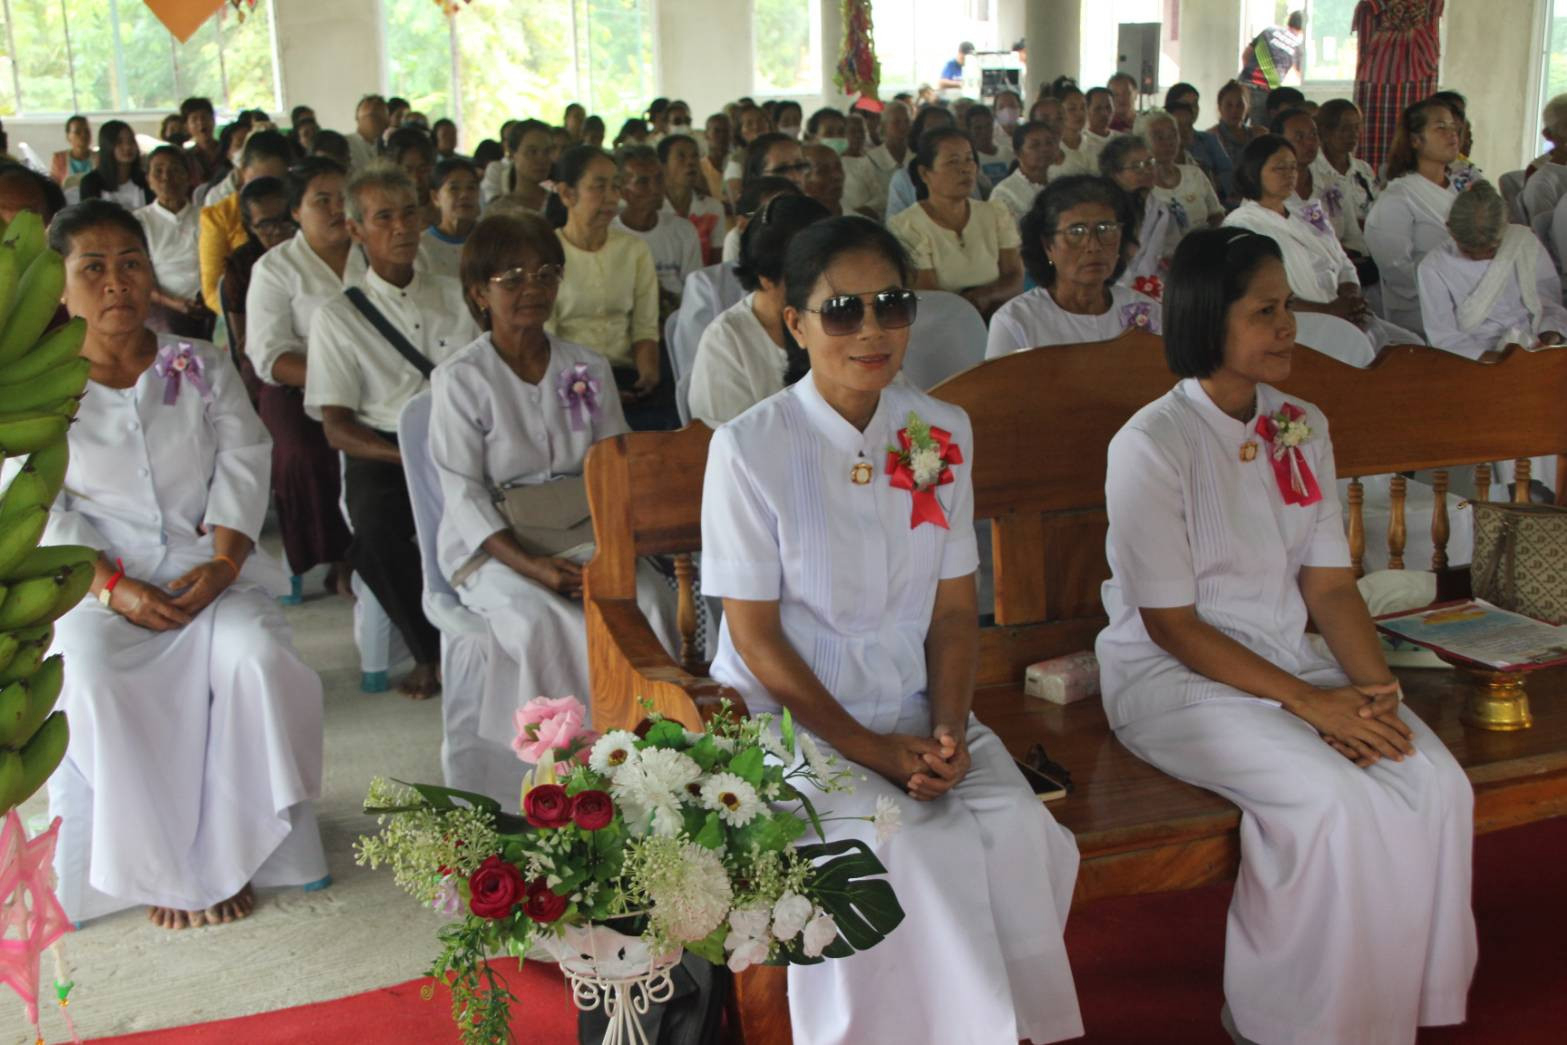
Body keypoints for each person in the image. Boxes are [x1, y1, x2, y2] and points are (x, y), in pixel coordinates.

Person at [702, 214, 1084, 1045]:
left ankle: (1003, 1030)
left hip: (915, 704)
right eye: (842, 311)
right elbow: (757, 640)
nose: (871, 329)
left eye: (891, 304)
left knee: (1021, 831)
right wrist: (868, 747)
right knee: (903, 849)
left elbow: (952, 607)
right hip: (789, 722)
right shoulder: (749, 447)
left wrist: (947, 725)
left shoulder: (939, 431)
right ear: (796, 324)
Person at [1097, 224, 1476, 1045]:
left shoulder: (1300, 420)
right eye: (1265, 311)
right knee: (1332, 800)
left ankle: (1385, 1009)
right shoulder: (1149, 445)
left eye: (1287, 307)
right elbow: (1169, 624)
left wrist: (1373, 689)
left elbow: (1329, 583)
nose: (1287, 326)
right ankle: (1279, 1022)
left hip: (1285, 664)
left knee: (1433, 781)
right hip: (1176, 682)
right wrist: (1314, 705)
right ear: (1207, 319)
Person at [41, 199, 327, 929]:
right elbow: (37, 504)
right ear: (59, 285)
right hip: (95, 589)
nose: (116, 283)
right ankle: (160, 865)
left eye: (130, 264)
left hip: (210, 573)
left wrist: (225, 565)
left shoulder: (195, 364)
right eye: (93, 268)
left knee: (258, 660)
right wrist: (114, 589)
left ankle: (237, 851)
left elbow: (245, 453)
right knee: (96, 675)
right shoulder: (36, 391)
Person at [431, 213, 677, 728]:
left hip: (584, 531)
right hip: (497, 547)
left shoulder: (587, 367)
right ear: (478, 293)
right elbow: (463, 492)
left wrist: (615, 552)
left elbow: (615, 465)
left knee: (648, 601)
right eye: (511, 279)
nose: (532, 289)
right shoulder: (461, 379)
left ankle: (649, 752)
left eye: (546, 274)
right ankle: (556, 771)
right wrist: (532, 567)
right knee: (537, 621)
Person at [305, 166, 476, 697]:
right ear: (356, 230)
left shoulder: (457, 294)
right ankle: (429, 651)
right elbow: (335, 426)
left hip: (459, 441)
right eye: (384, 217)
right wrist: (407, 459)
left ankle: (485, 634)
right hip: (383, 452)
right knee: (375, 531)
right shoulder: (338, 316)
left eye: (409, 214)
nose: (402, 228)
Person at [244, 156, 359, 596]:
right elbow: (269, 355)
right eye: (321, 200)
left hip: (381, 383)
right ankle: (338, 556)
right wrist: (338, 380)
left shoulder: (373, 255)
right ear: (296, 211)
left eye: (344, 199)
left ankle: (383, 547)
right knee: (307, 454)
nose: (336, 209)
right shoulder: (276, 268)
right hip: (300, 386)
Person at [1224, 134, 1416, 364]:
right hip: (1297, 320)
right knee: (1362, 353)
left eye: (1293, 167)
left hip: (1340, 310)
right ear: (1253, 173)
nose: (1290, 175)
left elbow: (1342, 260)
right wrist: (1328, 310)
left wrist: (1350, 296)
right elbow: (1259, 294)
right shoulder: (1242, 224)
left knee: (1412, 345)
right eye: (1279, 168)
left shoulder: (1306, 212)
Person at [546, 145, 665, 429]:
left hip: (625, 376)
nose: (613, 198)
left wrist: (647, 379)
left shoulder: (634, 250)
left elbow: (645, 328)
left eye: (616, 186)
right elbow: (545, 341)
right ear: (566, 194)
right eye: (599, 187)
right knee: (594, 445)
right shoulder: (546, 254)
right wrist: (597, 392)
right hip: (566, 380)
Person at [688, 194, 829, 427]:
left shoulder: (847, 317)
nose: (827, 283)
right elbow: (727, 443)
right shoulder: (726, 341)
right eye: (810, 275)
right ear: (765, 278)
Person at [987, 176, 1158, 358]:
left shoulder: (1146, 310)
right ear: (1047, 245)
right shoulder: (1016, 321)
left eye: (1106, 229)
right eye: (1076, 232)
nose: (1093, 246)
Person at [1419, 180, 1567, 360]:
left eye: (1491, 250)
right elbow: (1444, 337)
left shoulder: (1523, 243)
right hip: (1475, 360)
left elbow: (1549, 303)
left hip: (1534, 346)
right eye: (1468, 250)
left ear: (1507, 226)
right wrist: (1496, 361)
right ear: (1449, 229)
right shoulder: (1433, 268)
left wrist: (1550, 333)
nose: (1479, 257)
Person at [890, 128, 1022, 316]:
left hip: (997, 318)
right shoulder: (907, 226)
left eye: (969, 159)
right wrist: (973, 304)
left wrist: (985, 295)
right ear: (925, 173)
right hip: (943, 324)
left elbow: (1014, 277)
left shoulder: (995, 213)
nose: (965, 168)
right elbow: (928, 293)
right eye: (953, 161)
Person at [1363, 98, 1464, 336]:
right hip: (1423, 313)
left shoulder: (1454, 190)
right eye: (1440, 127)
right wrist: (1448, 292)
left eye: (1453, 127)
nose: (1452, 134)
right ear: (1416, 140)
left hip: (1466, 300)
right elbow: (1396, 271)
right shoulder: (1398, 198)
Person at [198, 130, 293, 314]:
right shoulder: (218, 217)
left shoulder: (298, 211)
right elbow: (212, 292)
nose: (265, 192)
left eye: (275, 183)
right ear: (242, 174)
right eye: (257, 181)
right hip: (240, 313)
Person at [612, 145, 704, 311]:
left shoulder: (683, 231)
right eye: (643, 182)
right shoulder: (608, 235)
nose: (655, 189)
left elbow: (695, 294)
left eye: (659, 179)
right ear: (621, 191)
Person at [135, 145, 212, 340]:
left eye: (175, 170)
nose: (166, 177)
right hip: (163, 305)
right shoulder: (139, 221)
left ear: (188, 177)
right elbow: (138, 277)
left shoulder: (206, 217)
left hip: (208, 301)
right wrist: (176, 303)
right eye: (158, 171)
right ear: (148, 180)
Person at [220, 175, 296, 363]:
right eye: (265, 225)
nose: (277, 231)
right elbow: (243, 343)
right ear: (250, 228)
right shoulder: (240, 265)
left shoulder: (312, 252)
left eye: (284, 220)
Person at [1101, 135, 1177, 288]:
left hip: (1153, 288)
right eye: (1136, 166)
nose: (1147, 171)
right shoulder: (1102, 210)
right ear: (1115, 174)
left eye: (1150, 163)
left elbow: (1170, 253)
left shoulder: (1161, 208)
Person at [1141, 109, 1224, 240]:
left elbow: (1217, 214)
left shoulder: (1194, 174)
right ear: (1143, 141)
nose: (1168, 142)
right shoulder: (1140, 185)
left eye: (1173, 135)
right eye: (1159, 137)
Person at [1311, 99, 1377, 256]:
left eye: (1357, 127)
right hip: (1333, 255)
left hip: (1370, 255)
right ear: (1325, 131)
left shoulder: (1363, 170)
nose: (1354, 134)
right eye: (1345, 128)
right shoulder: (1311, 171)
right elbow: (1312, 221)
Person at [659, 133, 726, 265]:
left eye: (695, 156)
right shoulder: (654, 209)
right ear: (663, 165)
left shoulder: (712, 208)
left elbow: (716, 263)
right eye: (681, 156)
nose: (690, 162)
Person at [884, 106, 958, 220]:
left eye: (945, 131)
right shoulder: (903, 179)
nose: (938, 138)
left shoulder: (964, 173)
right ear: (919, 136)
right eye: (931, 130)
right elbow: (895, 227)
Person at [1238, 11, 1305, 125]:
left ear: (1289, 21)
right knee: (1260, 131)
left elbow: (1246, 56)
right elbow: (1300, 74)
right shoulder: (1297, 46)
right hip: (1264, 92)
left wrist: (1250, 78)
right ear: (1302, 29)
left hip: (1242, 86)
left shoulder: (1269, 31)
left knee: (1235, 126)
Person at [990, 120, 1061, 223]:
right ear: (1018, 153)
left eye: (1049, 143)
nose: (1045, 149)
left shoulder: (1060, 182)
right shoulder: (1003, 194)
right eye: (1035, 145)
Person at [423, 156, 481, 279]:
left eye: (471, 188)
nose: (465, 195)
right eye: (454, 188)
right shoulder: (421, 248)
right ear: (435, 197)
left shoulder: (491, 241)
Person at [79, 120, 151, 210]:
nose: (127, 146)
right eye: (119, 142)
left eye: (131, 141)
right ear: (107, 146)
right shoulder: (90, 183)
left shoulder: (146, 180)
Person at [484, 119, 552, 212]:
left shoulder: (562, 203)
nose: (542, 159)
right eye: (532, 152)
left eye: (547, 151)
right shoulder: (498, 211)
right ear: (512, 154)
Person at [386, 125, 438, 227]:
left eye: (423, 169)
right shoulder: (382, 215)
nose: (416, 179)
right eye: (407, 171)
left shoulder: (444, 213)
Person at [839, 113, 885, 219]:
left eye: (862, 131)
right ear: (843, 134)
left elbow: (883, 196)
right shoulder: (838, 163)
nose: (858, 135)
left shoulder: (873, 158)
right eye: (853, 131)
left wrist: (868, 209)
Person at [1050, 83, 1100, 179]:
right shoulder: (1051, 148)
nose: (1079, 113)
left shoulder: (1095, 144)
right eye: (1072, 109)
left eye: (1083, 107)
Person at [866, 100, 912, 199]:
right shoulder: (870, 159)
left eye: (907, 121)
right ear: (884, 125)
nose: (903, 126)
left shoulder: (916, 158)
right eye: (897, 122)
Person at [963, 104, 1012, 189]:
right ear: (969, 130)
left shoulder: (1008, 153)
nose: (985, 131)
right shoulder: (968, 160)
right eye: (978, 128)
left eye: (988, 125)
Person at [181, 98, 225, 187]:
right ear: (186, 126)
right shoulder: (185, 158)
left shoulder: (227, 150)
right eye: (194, 119)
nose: (201, 123)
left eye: (205, 117)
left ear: (213, 120)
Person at [801, 143, 847, 217]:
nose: (837, 176)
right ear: (802, 180)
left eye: (838, 167)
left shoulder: (861, 223)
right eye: (823, 170)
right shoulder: (795, 225)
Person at [51, 115, 94, 188]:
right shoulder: (59, 159)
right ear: (68, 136)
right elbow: (54, 187)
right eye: (77, 132)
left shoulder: (100, 158)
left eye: (87, 131)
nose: (84, 135)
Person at [349, 94, 390, 170]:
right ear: (357, 118)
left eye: (378, 117)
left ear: (387, 122)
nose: (373, 108)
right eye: (369, 116)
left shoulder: (387, 149)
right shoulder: (345, 143)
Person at [700, 112, 732, 200]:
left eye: (726, 131)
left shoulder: (737, 163)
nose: (722, 136)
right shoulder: (699, 168)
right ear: (706, 135)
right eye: (717, 131)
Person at [1084, 87, 1117, 155]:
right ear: (1087, 110)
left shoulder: (1122, 140)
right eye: (1098, 108)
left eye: (1108, 107)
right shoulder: (1081, 142)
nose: (1104, 113)